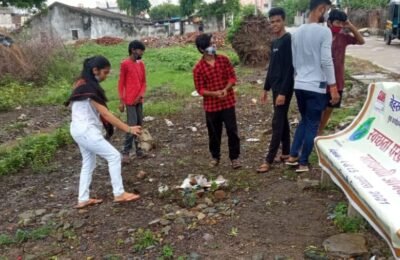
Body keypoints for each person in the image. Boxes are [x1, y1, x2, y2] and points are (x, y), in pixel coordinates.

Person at [66, 56, 142, 209]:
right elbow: (106, 114)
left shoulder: (81, 85)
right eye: (105, 73)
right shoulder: (89, 88)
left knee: (88, 162)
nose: (106, 77)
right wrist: (129, 128)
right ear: (95, 70)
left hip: (77, 129)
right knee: (114, 156)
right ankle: (119, 193)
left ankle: (83, 199)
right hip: (87, 130)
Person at [285, 0, 340, 173]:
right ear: (320, 9)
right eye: (326, 10)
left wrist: (299, 78)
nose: (326, 14)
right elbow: (326, 60)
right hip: (316, 86)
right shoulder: (324, 32)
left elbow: (294, 60)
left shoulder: (296, 32)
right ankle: (303, 162)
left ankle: (293, 155)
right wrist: (333, 86)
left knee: (305, 120)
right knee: (312, 124)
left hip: (300, 84)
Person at [193, 33, 241, 169]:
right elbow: (200, 89)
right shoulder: (198, 68)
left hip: (228, 102)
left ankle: (235, 158)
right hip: (211, 106)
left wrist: (226, 89)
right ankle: (215, 156)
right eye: (210, 44)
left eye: (213, 43)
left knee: (232, 131)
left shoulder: (224, 60)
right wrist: (214, 93)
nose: (214, 45)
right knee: (214, 133)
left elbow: (232, 78)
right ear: (202, 49)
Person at [257, 7, 294, 173]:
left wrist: (283, 93)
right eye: (272, 22)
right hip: (275, 88)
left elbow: (289, 69)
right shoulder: (274, 42)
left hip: (283, 89)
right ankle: (286, 152)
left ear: (284, 21)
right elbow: (271, 67)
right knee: (282, 120)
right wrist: (266, 88)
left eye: (278, 21)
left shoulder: (288, 40)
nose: (274, 24)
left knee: (277, 122)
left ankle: (269, 159)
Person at [318, 9, 365, 135]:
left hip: (337, 80)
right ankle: (313, 131)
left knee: (329, 108)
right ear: (329, 22)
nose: (339, 25)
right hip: (321, 79)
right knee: (318, 108)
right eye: (337, 22)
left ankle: (319, 133)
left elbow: (361, 41)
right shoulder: (321, 36)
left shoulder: (343, 37)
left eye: (341, 23)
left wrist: (350, 26)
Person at [118, 40, 147, 164]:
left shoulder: (141, 64)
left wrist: (140, 95)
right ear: (133, 50)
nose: (142, 53)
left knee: (139, 124)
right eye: (140, 50)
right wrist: (121, 101)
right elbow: (121, 83)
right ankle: (125, 152)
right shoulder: (125, 64)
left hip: (139, 100)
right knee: (131, 126)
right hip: (129, 101)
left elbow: (144, 83)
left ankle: (139, 150)